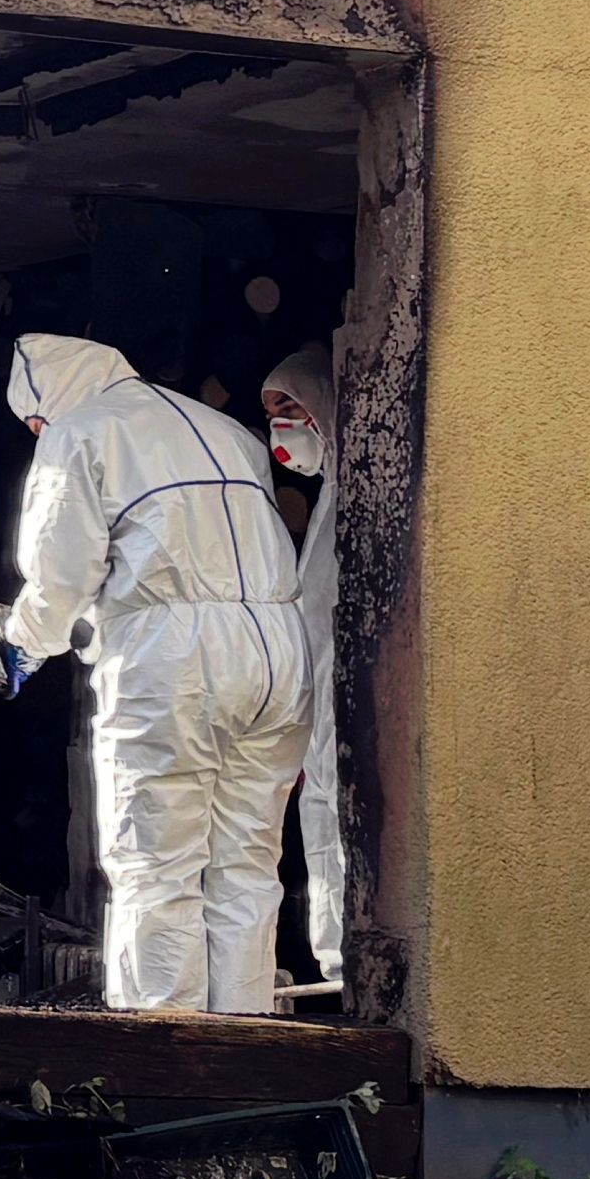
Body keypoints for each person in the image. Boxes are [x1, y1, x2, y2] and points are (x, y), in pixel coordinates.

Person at [0, 334, 311, 1015]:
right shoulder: (223, 429)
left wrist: (20, 645)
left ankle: (163, 1050)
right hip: (278, 651)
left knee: (155, 862)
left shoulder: (80, 432)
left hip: (176, 656)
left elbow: (59, 573)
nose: (38, 433)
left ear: (49, 401)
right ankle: (243, 1039)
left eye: (34, 422)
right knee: (247, 865)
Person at [259, 344, 345, 996]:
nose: (282, 426)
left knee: (338, 809)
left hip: (343, 684)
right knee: (320, 808)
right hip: (319, 684)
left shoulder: (354, 494)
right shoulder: (332, 495)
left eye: (292, 409)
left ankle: (343, 956)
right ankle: (334, 957)